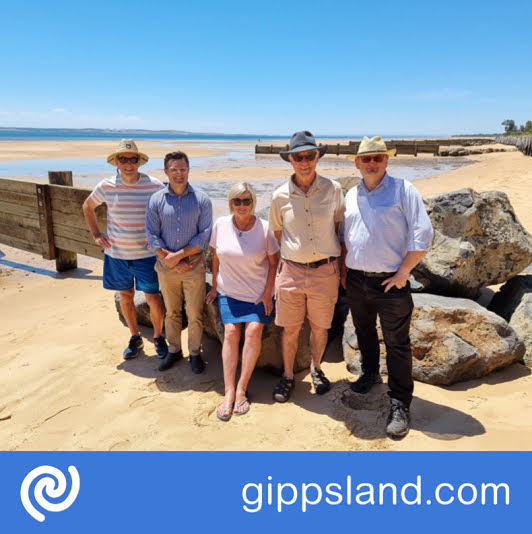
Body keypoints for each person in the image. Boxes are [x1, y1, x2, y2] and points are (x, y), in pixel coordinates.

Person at [341, 136, 434, 439]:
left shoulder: (403, 190)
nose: (372, 163)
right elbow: (346, 237)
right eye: (366, 159)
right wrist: (345, 271)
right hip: (357, 279)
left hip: (391, 281)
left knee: (397, 343)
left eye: (377, 158)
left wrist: (404, 271)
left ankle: (400, 402)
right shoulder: (351, 195)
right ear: (357, 163)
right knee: (364, 330)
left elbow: (423, 234)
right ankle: (370, 372)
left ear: (387, 161)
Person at [269, 131, 345, 402]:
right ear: (290, 159)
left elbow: (339, 228)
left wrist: (342, 269)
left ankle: (317, 368)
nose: (304, 161)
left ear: (317, 157)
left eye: (309, 155)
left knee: (320, 327)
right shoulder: (279, 195)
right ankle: (288, 375)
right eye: (298, 156)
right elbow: (277, 235)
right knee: (289, 329)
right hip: (291, 271)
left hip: (325, 271)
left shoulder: (333, 189)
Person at [82, 139, 167, 360]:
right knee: (126, 296)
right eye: (123, 159)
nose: (128, 163)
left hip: (147, 256)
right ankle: (135, 337)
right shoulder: (106, 186)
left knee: (153, 298)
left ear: (139, 162)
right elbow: (87, 206)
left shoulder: (154, 185)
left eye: (132, 159)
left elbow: (168, 210)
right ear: (116, 162)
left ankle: (158, 337)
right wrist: (96, 234)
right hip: (117, 255)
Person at [206, 183, 279, 420]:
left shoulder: (265, 229)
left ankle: (241, 389)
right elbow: (216, 257)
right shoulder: (220, 225)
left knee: (254, 330)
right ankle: (228, 392)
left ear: (254, 203)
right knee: (230, 333)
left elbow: (274, 263)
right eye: (237, 201)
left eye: (247, 201)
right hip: (229, 292)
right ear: (230, 203)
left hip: (257, 293)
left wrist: (268, 293)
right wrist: (215, 287)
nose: (242, 205)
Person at [146, 151, 212, 374]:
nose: (179, 174)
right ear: (166, 171)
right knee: (172, 312)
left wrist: (179, 257)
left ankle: (194, 353)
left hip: (193, 266)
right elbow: (152, 236)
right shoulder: (156, 200)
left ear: (188, 170)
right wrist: (172, 261)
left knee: (195, 312)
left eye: (183, 169)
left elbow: (204, 236)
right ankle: (174, 350)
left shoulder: (202, 199)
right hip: (166, 267)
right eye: (174, 169)